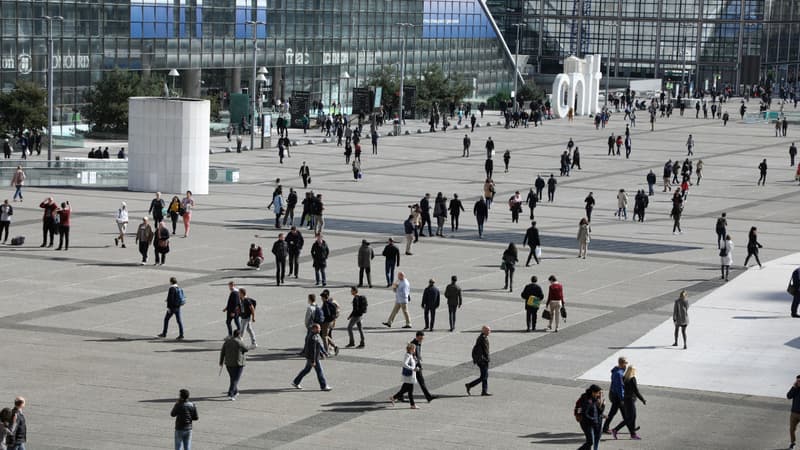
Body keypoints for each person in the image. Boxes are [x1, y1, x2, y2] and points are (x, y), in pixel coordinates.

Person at [292, 323, 332, 391]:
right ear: (314, 329)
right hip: (313, 358)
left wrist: (325, 353)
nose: (320, 329)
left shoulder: (315, 335)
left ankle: (296, 382)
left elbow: (319, 345)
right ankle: (323, 386)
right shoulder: (312, 337)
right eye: (319, 328)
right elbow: (313, 350)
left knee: (306, 370)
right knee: (319, 371)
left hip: (311, 357)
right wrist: (313, 361)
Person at [610, 366, 645, 440]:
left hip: (626, 400)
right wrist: (642, 399)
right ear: (632, 371)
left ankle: (633, 434)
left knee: (633, 416)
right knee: (629, 418)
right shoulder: (632, 379)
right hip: (630, 400)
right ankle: (615, 430)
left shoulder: (624, 378)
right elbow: (636, 391)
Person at [602, 356, 629, 434]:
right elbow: (619, 388)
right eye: (625, 363)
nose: (626, 365)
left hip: (615, 395)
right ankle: (631, 428)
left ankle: (631, 428)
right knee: (619, 412)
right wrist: (622, 398)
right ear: (622, 363)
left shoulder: (617, 370)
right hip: (617, 396)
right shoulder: (618, 373)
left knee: (621, 413)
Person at [219, 330, 249, 400]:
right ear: (238, 335)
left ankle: (235, 391)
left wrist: (221, 362)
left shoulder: (227, 342)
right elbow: (246, 349)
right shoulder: (239, 342)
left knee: (233, 378)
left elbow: (222, 352)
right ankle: (231, 393)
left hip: (228, 364)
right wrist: (242, 341)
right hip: (238, 363)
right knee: (235, 379)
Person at [389, 343, 420, 409]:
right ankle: (412, 405)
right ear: (411, 349)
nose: (415, 350)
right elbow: (404, 364)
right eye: (414, 349)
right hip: (409, 376)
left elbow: (412, 363)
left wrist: (416, 363)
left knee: (407, 390)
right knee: (408, 391)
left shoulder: (411, 355)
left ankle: (394, 398)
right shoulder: (408, 355)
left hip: (410, 376)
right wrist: (413, 368)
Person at [409, 331, 436, 402]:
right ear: (417, 336)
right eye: (421, 338)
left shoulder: (418, 343)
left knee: (415, 382)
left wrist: (419, 356)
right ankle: (428, 396)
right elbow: (413, 356)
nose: (422, 340)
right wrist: (419, 366)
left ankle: (428, 396)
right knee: (416, 382)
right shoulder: (413, 344)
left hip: (415, 365)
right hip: (414, 366)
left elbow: (417, 355)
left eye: (422, 338)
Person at [465, 325, 491, 396]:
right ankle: (470, 385)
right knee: (484, 377)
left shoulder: (482, 337)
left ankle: (484, 391)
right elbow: (485, 351)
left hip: (482, 360)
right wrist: (487, 359)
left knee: (484, 376)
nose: (490, 332)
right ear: (484, 331)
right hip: (483, 361)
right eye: (488, 330)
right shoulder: (482, 338)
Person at [578, 385, 605, 450]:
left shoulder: (595, 399)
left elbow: (598, 411)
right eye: (598, 393)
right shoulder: (588, 400)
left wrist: (602, 404)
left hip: (593, 423)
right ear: (593, 392)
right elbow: (584, 413)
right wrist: (593, 419)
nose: (599, 394)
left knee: (590, 441)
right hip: (586, 423)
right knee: (590, 442)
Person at [788, 375, 800, 450]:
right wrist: (794, 387)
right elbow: (788, 396)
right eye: (797, 381)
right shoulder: (795, 389)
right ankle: (792, 443)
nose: (798, 382)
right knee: (792, 429)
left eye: (799, 381)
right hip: (794, 414)